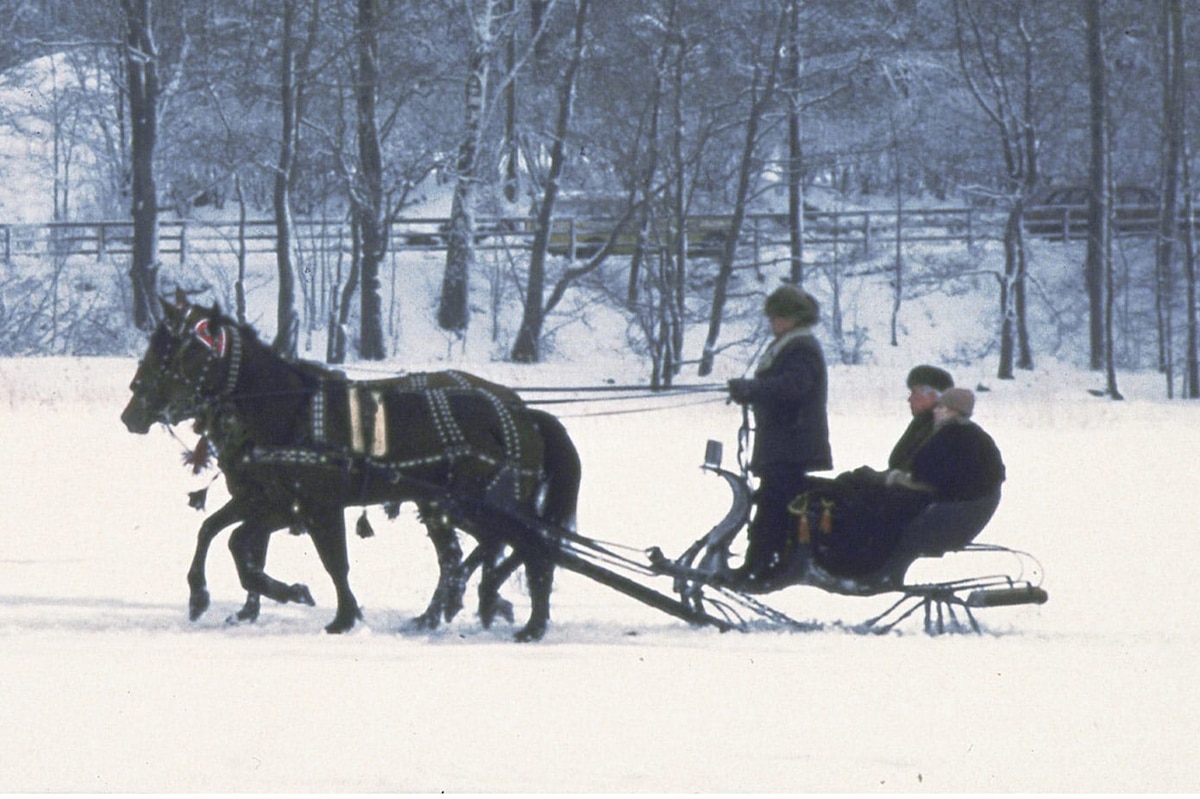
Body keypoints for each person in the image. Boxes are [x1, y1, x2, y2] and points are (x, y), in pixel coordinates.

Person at [808, 387, 1005, 580]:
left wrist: (888, 479)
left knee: (877, 504)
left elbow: (923, 478)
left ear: (954, 411)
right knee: (871, 489)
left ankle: (858, 566)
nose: (935, 411)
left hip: (951, 509)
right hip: (960, 505)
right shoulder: (965, 434)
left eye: (941, 407)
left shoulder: (954, 436)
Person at [727, 284, 832, 582]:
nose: (771, 323)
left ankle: (760, 564)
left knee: (774, 505)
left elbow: (792, 387)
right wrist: (751, 391)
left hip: (791, 444)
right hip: (783, 443)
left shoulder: (801, 347)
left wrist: (752, 388)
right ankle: (760, 561)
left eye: (776, 317)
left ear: (792, 318)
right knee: (772, 502)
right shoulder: (790, 344)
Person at [887, 365, 954, 472]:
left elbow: (912, 473)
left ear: (932, 396)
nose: (909, 399)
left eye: (914, 392)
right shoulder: (924, 423)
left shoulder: (942, 429)